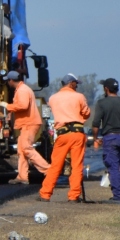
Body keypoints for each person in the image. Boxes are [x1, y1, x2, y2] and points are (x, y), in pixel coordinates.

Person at [40, 73, 91, 203]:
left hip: (62, 135)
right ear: (71, 83)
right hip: (77, 134)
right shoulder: (79, 96)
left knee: (55, 166)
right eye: (76, 84)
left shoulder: (53, 98)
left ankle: (45, 194)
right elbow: (86, 113)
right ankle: (74, 196)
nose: (76, 86)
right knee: (76, 165)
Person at [92, 78, 120, 205]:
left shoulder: (102, 103)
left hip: (110, 138)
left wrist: (96, 137)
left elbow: (96, 123)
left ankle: (117, 197)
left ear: (106, 89)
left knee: (113, 167)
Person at [1, 70, 49, 184]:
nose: (8, 83)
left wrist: (8, 106)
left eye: (8, 81)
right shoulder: (22, 89)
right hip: (26, 123)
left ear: (11, 80)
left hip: (29, 123)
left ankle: (49, 170)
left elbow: (23, 105)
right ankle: (22, 176)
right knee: (21, 150)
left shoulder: (22, 90)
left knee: (27, 149)